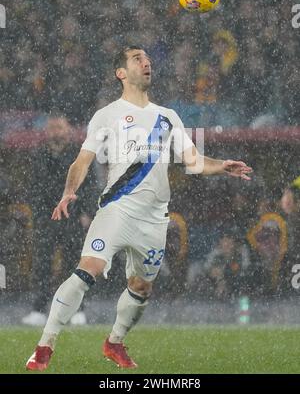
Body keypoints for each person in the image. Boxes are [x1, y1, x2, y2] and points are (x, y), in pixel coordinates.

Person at [26, 46, 252, 371]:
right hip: (118, 208)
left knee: (142, 287)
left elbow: (193, 161)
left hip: (154, 219)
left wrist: (222, 166)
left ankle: (114, 342)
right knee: (87, 268)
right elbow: (82, 161)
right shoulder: (106, 115)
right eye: (137, 59)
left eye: (147, 60)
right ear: (121, 72)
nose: (146, 63)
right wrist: (68, 192)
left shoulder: (168, 117)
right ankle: (45, 346)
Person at [22, 116, 97, 326]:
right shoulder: (39, 155)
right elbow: (34, 187)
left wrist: (86, 213)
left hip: (73, 218)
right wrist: (40, 214)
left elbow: (89, 186)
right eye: (52, 128)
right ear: (47, 131)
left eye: (60, 127)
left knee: (75, 265)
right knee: (42, 265)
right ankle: (39, 309)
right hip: (47, 218)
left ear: (68, 130)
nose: (56, 131)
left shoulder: (79, 154)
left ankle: (77, 309)